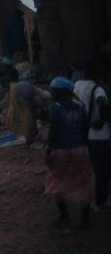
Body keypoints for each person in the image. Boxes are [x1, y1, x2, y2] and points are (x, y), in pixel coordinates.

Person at [45, 77, 94, 229]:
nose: (51, 92)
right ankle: (85, 220)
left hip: (61, 150)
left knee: (57, 181)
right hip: (80, 149)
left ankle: (64, 216)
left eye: (52, 90)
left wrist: (49, 150)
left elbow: (54, 131)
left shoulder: (56, 107)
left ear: (59, 92)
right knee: (84, 182)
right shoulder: (80, 106)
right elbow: (85, 129)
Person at [73, 63, 110, 210]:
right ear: (97, 75)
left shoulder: (76, 85)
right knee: (102, 170)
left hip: (82, 134)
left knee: (86, 169)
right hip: (99, 135)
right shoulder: (98, 89)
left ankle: (85, 200)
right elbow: (103, 104)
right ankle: (100, 202)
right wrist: (101, 119)